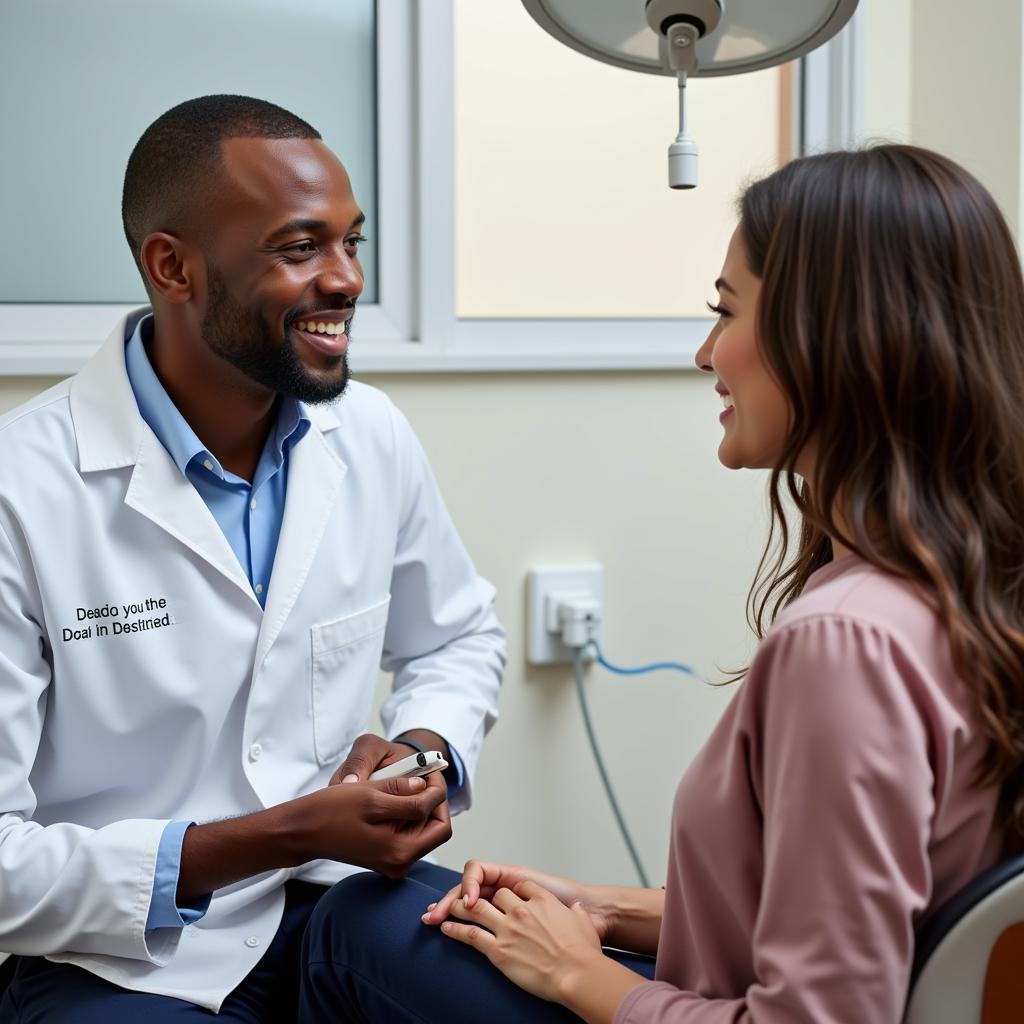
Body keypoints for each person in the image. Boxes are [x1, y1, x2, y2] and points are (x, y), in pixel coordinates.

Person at [308, 145, 1024, 1022]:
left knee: (350, 923)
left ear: (832, 334)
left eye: (726, 313)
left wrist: (587, 976)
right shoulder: (971, 588)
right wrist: (607, 911)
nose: (703, 353)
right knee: (408, 904)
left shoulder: (849, 642)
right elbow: (875, 924)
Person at [0, 95, 506, 1021]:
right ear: (173, 266)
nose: (347, 279)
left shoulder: (369, 434)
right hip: (123, 955)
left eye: (353, 242)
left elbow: (458, 637)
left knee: (541, 997)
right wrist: (269, 836)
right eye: (300, 247)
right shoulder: (19, 490)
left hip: (339, 901)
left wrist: (426, 750)